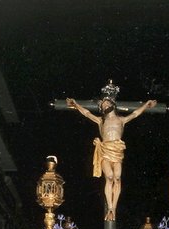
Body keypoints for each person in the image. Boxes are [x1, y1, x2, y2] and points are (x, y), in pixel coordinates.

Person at [66, 81, 157, 221]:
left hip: (117, 151)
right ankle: (110, 207)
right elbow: (86, 113)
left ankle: (113, 207)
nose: (104, 106)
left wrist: (146, 104)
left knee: (118, 177)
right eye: (103, 105)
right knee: (109, 176)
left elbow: (136, 113)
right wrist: (75, 104)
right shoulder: (100, 121)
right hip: (105, 150)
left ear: (112, 105)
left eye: (106, 104)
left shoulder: (122, 120)